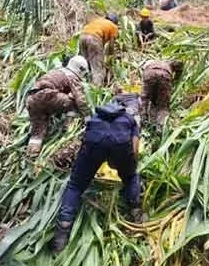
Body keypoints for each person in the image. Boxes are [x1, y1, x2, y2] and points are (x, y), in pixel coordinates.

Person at [51, 93, 146, 253]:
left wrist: (92, 163)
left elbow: (86, 141)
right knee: (130, 178)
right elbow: (135, 151)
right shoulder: (130, 120)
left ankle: (63, 231)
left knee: (75, 185)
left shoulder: (96, 117)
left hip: (94, 144)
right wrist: (124, 165)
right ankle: (136, 211)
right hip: (120, 145)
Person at [25, 56, 90, 157]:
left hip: (31, 99)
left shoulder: (58, 71)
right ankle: (68, 127)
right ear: (80, 69)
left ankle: (32, 152)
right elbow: (80, 98)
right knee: (73, 102)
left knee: (38, 128)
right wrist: (87, 116)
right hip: (47, 95)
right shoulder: (71, 76)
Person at [78, 14, 120, 87]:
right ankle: (96, 90)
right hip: (94, 39)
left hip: (82, 37)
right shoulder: (113, 27)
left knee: (85, 63)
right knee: (97, 67)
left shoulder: (99, 20)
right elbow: (111, 45)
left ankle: (81, 84)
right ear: (115, 22)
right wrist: (111, 56)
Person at [141, 59, 184, 128]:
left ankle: (143, 120)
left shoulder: (151, 63)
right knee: (163, 105)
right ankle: (161, 126)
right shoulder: (168, 65)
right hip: (164, 76)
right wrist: (175, 80)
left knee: (145, 100)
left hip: (149, 74)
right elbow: (179, 66)